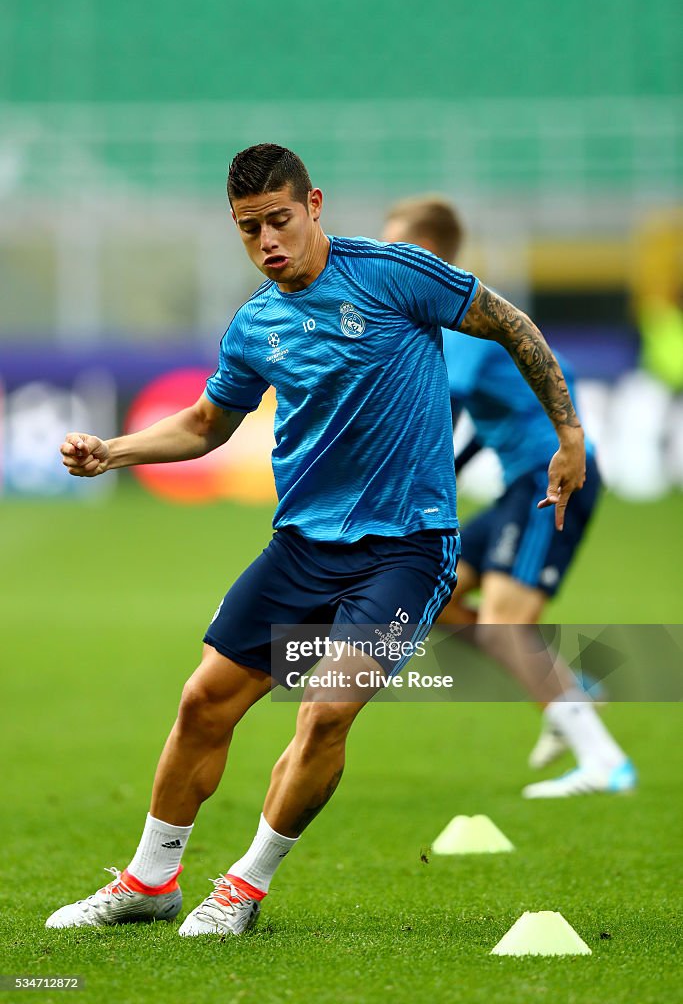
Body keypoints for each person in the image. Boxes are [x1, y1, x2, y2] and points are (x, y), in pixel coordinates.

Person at [48, 144, 585, 938]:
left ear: (314, 206)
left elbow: (508, 323)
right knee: (202, 703)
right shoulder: (255, 325)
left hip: (407, 549)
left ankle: (244, 886)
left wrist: (566, 433)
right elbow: (204, 425)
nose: (267, 241)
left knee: (324, 711)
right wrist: (114, 452)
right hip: (302, 546)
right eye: (247, 229)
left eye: (278, 220)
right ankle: (149, 880)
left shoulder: (396, 274)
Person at [383, 195, 636, 797]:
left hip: (550, 482)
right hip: (520, 481)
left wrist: (414, 479)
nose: (383, 258)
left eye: (394, 247)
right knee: (433, 591)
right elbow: (472, 421)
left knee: (502, 628)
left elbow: (448, 407)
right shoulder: (458, 314)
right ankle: (566, 691)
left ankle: (605, 763)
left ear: (422, 252)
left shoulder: (458, 306)